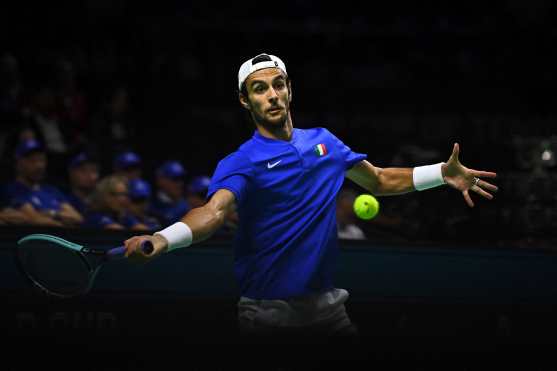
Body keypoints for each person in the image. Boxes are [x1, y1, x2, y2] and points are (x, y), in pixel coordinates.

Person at [124, 53, 498, 343]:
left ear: (289, 89)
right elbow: (213, 212)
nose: (272, 95)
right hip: (268, 315)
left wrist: (442, 174)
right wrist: (162, 239)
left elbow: (380, 180)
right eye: (260, 89)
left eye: (278, 84)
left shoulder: (324, 141)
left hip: (327, 310)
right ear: (244, 101)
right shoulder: (241, 162)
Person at [2, 139, 83, 227]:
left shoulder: (51, 190)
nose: (39, 166)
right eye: (32, 161)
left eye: (41, 160)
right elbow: (35, 220)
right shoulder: (12, 190)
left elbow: (77, 218)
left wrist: (51, 214)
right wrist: (59, 218)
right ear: (18, 163)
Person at [149, 160, 190, 226]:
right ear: (161, 180)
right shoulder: (150, 205)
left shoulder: (187, 204)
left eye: (182, 179)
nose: (180, 184)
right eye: (175, 179)